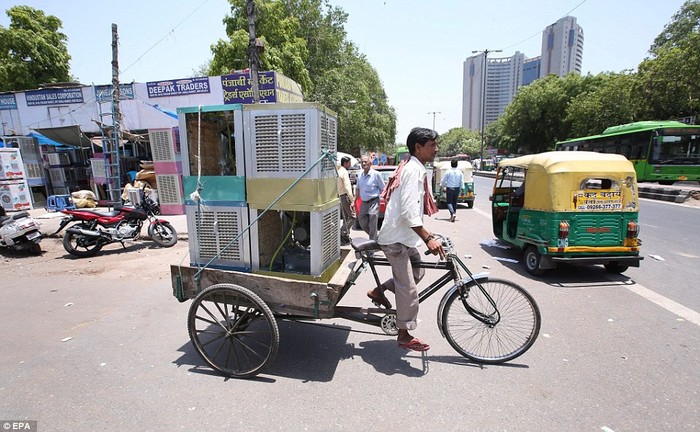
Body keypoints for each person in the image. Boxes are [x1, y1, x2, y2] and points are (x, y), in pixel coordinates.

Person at [368, 127, 445, 352]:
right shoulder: (413, 170)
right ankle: (404, 334)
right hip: (395, 239)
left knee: (418, 271)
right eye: (432, 145)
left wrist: (427, 235)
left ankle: (378, 291)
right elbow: (410, 211)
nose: (436, 149)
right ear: (418, 147)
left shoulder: (416, 168)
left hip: (405, 237)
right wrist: (428, 237)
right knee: (408, 288)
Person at [356, 155, 385, 241]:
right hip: (364, 202)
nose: (364, 163)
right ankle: (375, 237)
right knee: (361, 220)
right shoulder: (360, 174)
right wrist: (354, 201)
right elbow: (357, 188)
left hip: (374, 201)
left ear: (370, 163)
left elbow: (383, 188)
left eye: (365, 162)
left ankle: (372, 246)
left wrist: (385, 199)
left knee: (372, 220)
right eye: (362, 162)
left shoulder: (376, 174)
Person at [336, 156, 356, 245]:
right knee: (353, 216)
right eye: (349, 163)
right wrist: (352, 200)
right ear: (345, 163)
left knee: (345, 218)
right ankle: (342, 232)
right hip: (345, 197)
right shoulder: (344, 172)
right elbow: (348, 188)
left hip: (339, 196)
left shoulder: (338, 171)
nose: (350, 165)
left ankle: (345, 237)